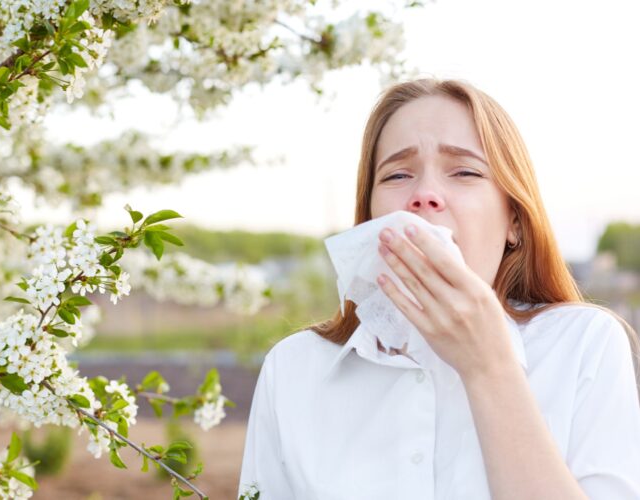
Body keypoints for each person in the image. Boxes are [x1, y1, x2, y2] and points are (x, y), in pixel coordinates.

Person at [237, 78, 640, 499]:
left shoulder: (584, 344)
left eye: (464, 171)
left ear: (514, 223)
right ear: (370, 216)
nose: (425, 195)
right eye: (397, 174)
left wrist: (488, 367)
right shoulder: (293, 369)